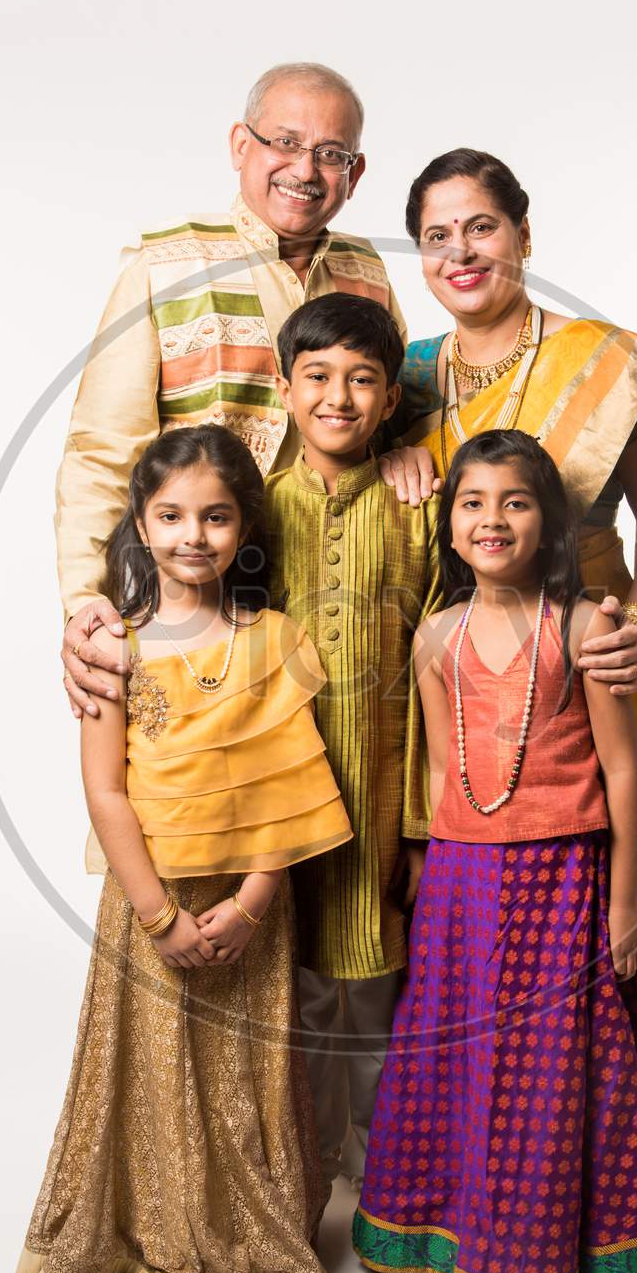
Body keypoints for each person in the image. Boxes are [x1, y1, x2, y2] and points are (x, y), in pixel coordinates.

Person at [353, 430, 637, 1273]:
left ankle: (549, 1262)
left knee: (549, 1070)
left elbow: (623, 775)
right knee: (463, 1064)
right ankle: (461, 1239)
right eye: (471, 502)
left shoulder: (584, 623)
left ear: (547, 517)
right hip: (465, 888)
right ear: (449, 523)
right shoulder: (438, 635)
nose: (491, 519)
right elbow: (440, 776)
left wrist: (625, 903)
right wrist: (429, 885)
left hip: (564, 881)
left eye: (514, 501)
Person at [13, 425, 353, 1273]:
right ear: (138, 524)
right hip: (149, 902)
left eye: (214, 516)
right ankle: (149, 1242)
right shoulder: (112, 645)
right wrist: (160, 916)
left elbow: (293, 790)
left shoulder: (274, 640)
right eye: (169, 516)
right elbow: (107, 791)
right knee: (152, 1074)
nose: (191, 536)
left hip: (250, 908)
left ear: (245, 528)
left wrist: (247, 906)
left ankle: (248, 1242)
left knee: (247, 1084)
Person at [380, 149, 637, 942]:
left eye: (481, 227)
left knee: (580, 919)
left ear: (524, 235)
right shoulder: (401, 380)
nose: (460, 252)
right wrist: (386, 453)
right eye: (437, 237)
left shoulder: (601, 363)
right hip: (457, 666)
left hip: (581, 662)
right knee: (463, 920)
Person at [58, 60, 405, 717]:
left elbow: (393, 416)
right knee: (180, 798)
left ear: (354, 175)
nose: (305, 170)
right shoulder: (167, 263)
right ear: (241, 146)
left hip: (336, 598)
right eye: (285, 142)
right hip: (191, 601)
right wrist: (85, 601)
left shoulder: (368, 271)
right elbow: (101, 449)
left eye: (331, 154)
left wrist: (407, 452)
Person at [265, 294, 441, 1191]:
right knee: (294, 997)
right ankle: (302, 1179)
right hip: (282, 806)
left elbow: (442, 675)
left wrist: (420, 824)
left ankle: (388, 1193)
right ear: (286, 388)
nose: (340, 397)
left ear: (388, 398)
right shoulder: (254, 513)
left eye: (363, 379)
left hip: (382, 796)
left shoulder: (421, 509)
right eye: (319, 377)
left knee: (378, 994)